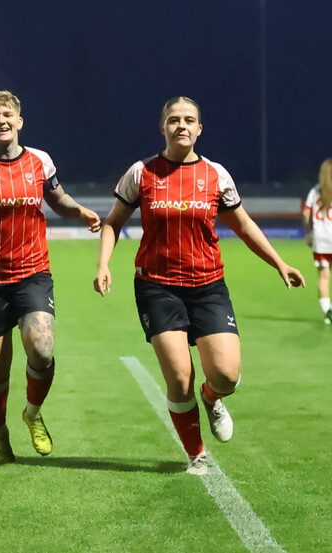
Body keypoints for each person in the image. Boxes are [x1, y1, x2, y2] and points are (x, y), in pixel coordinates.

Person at [93, 96, 305, 475]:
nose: (181, 126)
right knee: (178, 377)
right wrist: (104, 264)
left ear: (200, 128)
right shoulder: (141, 172)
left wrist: (279, 262)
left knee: (225, 376)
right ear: (163, 128)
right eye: (174, 120)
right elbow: (113, 222)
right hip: (157, 287)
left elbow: (242, 224)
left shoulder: (215, 175)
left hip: (208, 285)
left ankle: (212, 398)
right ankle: (196, 454)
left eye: (189, 120)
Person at [0, 90, 102, 463]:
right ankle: (0, 434)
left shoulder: (40, 161)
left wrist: (80, 211)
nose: (2, 121)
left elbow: (58, 199)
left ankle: (32, 412)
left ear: (19, 122)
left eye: (7, 114)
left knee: (42, 350)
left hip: (32, 272)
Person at [303, 158, 332, 324]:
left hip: (321, 240)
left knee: (323, 277)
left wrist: (308, 234)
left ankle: (327, 311)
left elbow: (306, 216)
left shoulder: (315, 192)